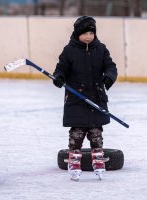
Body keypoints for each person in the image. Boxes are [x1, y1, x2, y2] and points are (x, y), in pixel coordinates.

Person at [53, 16, 117, 181]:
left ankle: (98, 161)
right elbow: (61, 69)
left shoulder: (101, 49)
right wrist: (59, 77)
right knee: (77, 134)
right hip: (76, 100)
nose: (89, 36)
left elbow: (110, 66)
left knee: (96, 133)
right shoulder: (69, 51)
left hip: (96, 98)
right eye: (85, 33)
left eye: (91, 32)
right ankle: (74, 162)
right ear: (77, 34)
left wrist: (109, 77)